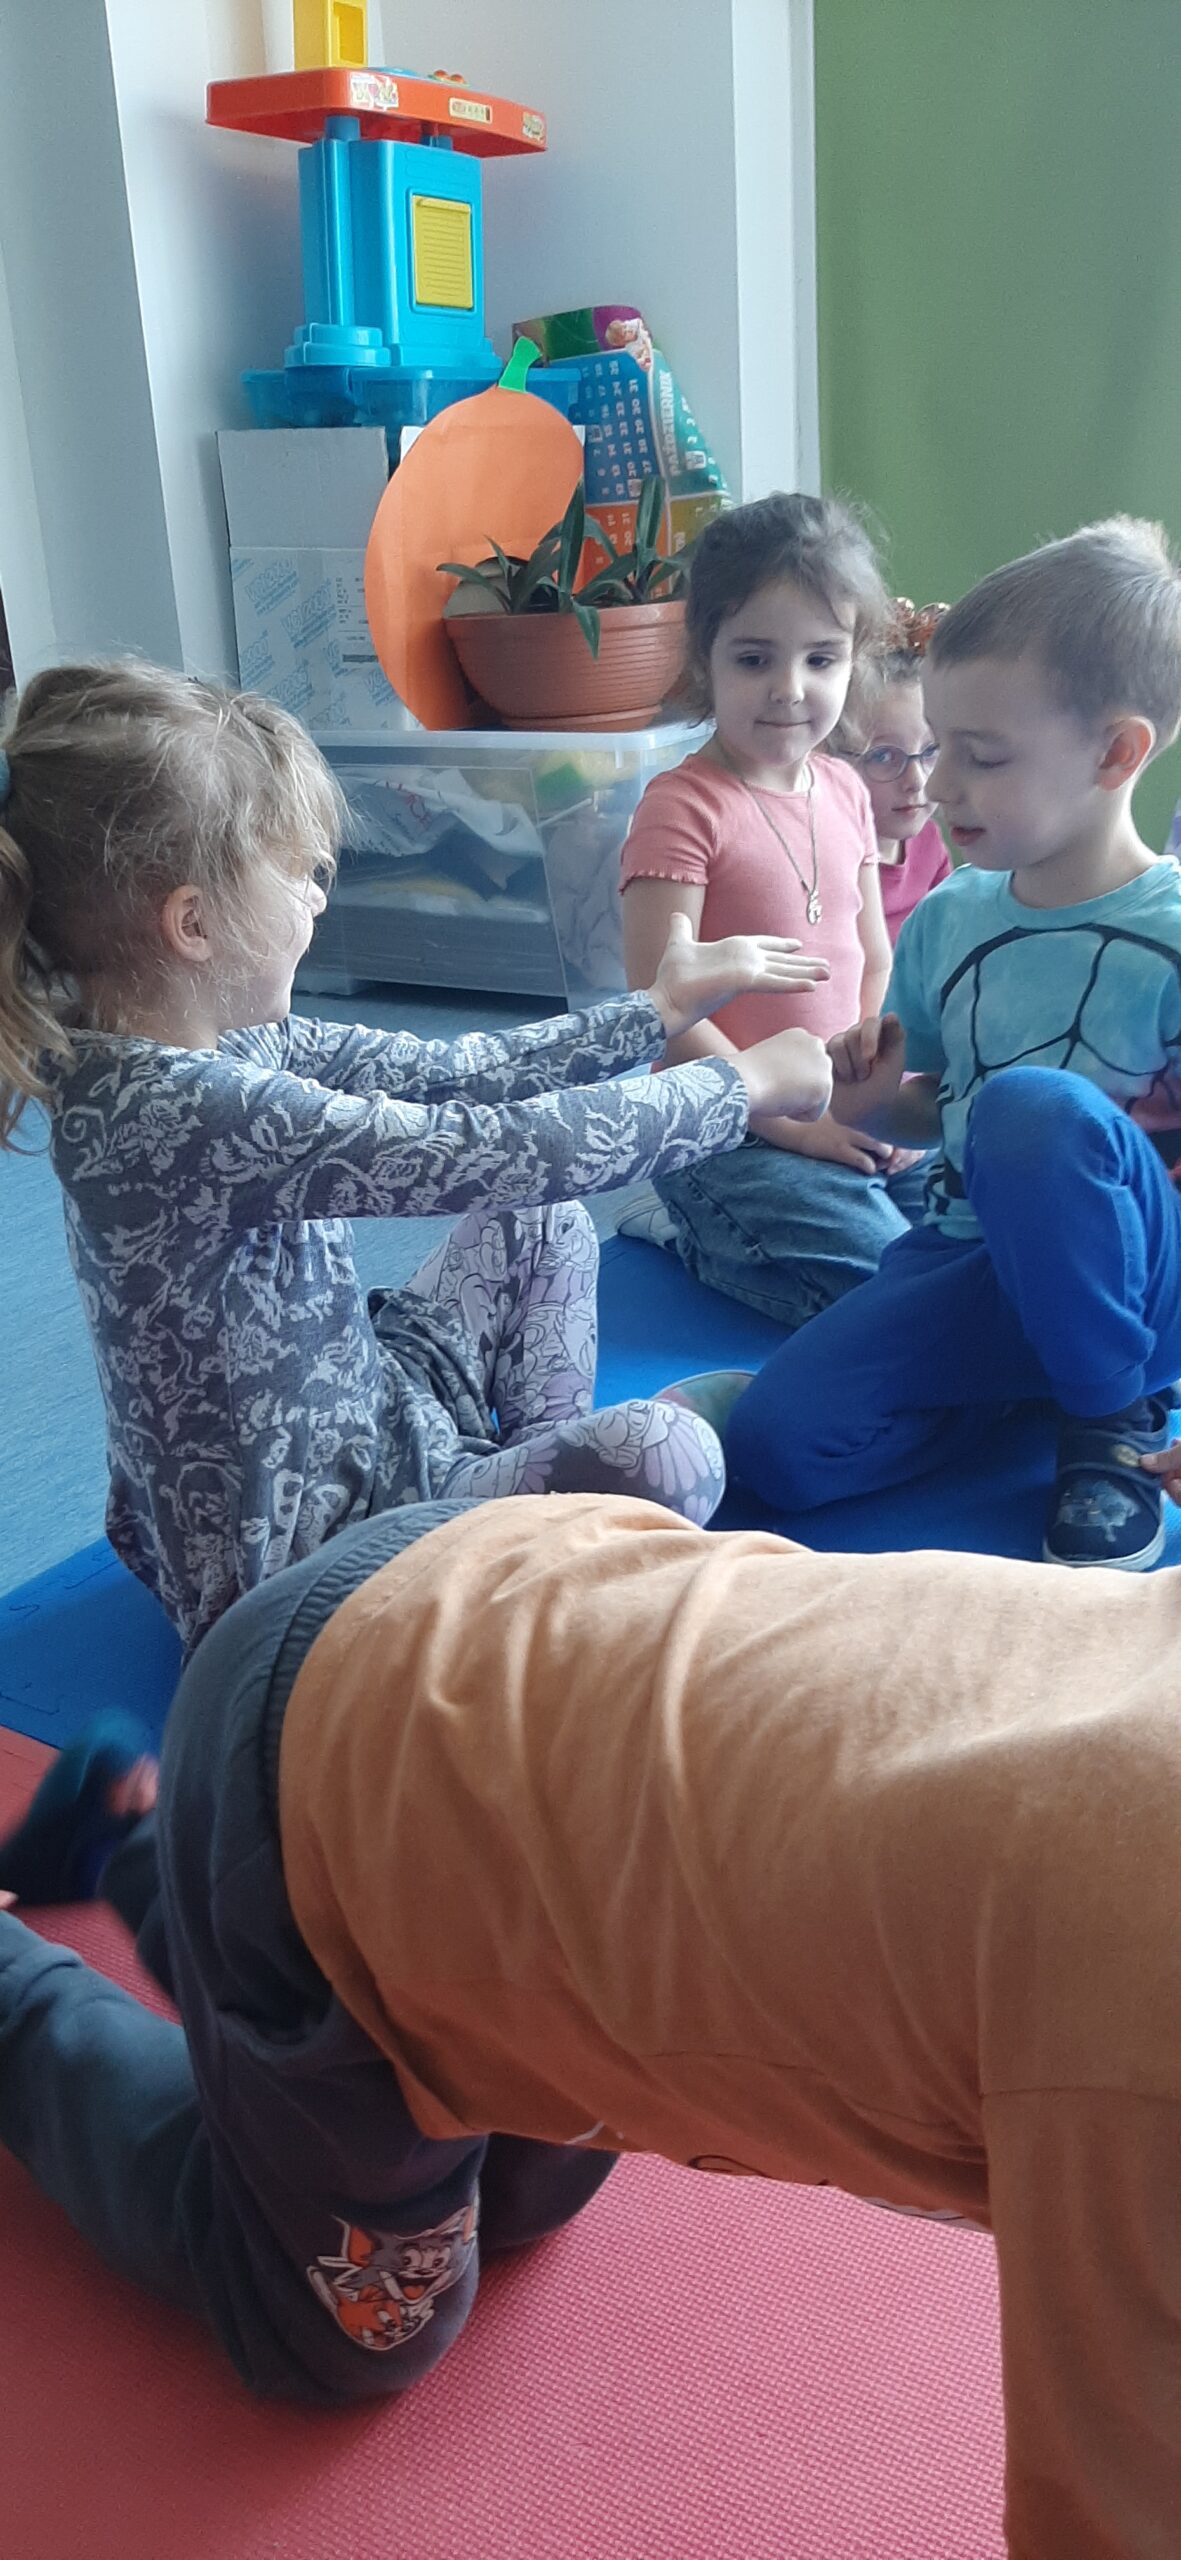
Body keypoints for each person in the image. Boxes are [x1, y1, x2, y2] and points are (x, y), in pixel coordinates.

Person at [2, 1488, 1181, 2560]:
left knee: (517, 2205)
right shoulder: (1143, 2060)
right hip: (338, 1758)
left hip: (522, 1596)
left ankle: (134, 1835)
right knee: (360, 2327)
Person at [0, 660, 832, 1655]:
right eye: (298, 873)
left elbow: (455, 1076)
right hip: (301, 1568)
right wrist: (737, 1087)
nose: (317, 897)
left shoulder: (220, 1041)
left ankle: (526, 1494)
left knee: (542, 1222)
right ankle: (541, 1538)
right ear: (194, 923)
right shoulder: (168, 1109)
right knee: (672, 1453)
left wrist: (652, 1011)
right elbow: (489, 1151)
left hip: (360, 1415)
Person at [726, 518, 1181, 1570]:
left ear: (1115, 753)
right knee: (775, 1450)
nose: (936, 788)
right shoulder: (950, 917)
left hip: (1142, 1272)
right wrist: (873, 1098)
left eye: (980, 757)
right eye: (937, 748)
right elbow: (943, 1107)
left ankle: (1109, 1416)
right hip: (970, 1251)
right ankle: (1037, 1390)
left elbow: (1022, 1121)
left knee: (1033, 1108)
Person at [616, 493, 930, 1341]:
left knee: (981, 1228)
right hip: (725, 1131)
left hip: (839, 1109)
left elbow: (872, 956)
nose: (789, 690)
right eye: (754, 658)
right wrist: (794, 1125)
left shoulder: (844, 789)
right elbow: (659, 1009)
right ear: (704, 656)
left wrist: (876, 1097)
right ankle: (678, 1226)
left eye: (820, 659)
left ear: (854, 660)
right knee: (888, 1294)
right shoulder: (682, 807)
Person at [829, 599, 952, 942]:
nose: (916, 782)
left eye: (931, 751)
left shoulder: (927, 842)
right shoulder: (821, 863)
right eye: (883, 756)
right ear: (830, 757)